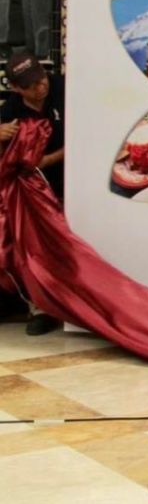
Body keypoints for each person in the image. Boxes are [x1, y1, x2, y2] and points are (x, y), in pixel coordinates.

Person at [0, 51, 64, 334]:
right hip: (34, 194)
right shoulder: (10, 111)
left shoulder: (64, 89)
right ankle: (42, 307)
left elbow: (87, 135)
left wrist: (49, 160)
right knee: (30, 245)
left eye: (41, 78)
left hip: (73, 182)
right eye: (32, 85)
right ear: (16, 88)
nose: (41, 86)